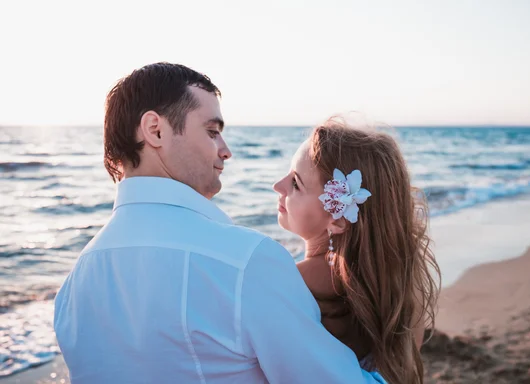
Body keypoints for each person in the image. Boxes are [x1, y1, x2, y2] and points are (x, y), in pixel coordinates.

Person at [53, 63, 386, 383]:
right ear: (155, 130)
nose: (225, 151)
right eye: (212, 132)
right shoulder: (247, 263)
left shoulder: (73, 288)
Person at [273, 118, 441, 384]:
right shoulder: (401, 278)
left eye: (296, 183)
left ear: (338, 220)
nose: (278, 186)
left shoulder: (290, 282)